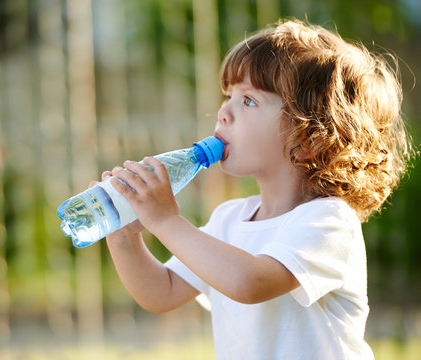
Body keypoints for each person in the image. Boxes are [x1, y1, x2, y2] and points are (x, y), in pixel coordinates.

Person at [92, 19, 413, 359]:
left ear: (309, 137)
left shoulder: (328, 222)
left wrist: (166, 221)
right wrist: (124, 234)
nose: (223, 112)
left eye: (248, 101)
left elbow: (250, 283)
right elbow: (161, 292)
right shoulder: (230, 219)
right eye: (228, 95)